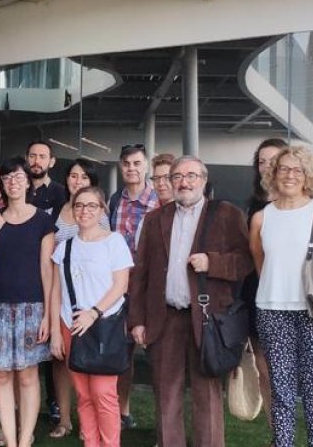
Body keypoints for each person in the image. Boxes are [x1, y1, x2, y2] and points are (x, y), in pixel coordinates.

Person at [127, 156, 251, 447]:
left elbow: (246, 261)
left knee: (206, 396)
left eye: (192, 175)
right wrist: (137, 320)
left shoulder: (226, 214)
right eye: (177, 176)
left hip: (207, 320)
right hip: (164, 319)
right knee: (165, 395)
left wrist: (213, 263)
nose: (184, 182)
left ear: (204, 181)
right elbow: (141, 272)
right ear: (169, 182)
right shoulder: (155, 218)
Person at [251, 145, 313, 447]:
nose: (290, 175)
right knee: (281, 390)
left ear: (308, 176)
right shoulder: (260, 218)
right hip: (272, 310)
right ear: (273, 174)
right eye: (284, 168)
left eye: (297, 169)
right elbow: (261, 265)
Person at [0, 157, 56, 447]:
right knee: (2, 376)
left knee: (29, 376)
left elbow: (47, 269)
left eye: (18, 176)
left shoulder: (44, 220)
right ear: (2, 185)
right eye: (6, 178)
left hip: (32, 307)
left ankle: (25, 438)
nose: (12, 182)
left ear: (28, 180)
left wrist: (47, 316)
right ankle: (9, 437)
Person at [50, 186, 134, 447]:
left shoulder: (114, 242)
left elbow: (121, 285)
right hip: (70, 325)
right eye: (79, 205)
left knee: (103, 392)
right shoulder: (64, 248)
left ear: (101, 210)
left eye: (91, 206)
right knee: (83, 394)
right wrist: (55, 332)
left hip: (104, 326)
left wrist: (93, 313)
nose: (84, 211)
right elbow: (56, 292)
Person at [45, 157, 109, 440]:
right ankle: (65, 419)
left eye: (84, 177)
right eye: (73, 176)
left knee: (89, 365)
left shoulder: (99, 214)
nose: (77, 181)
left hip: (92, 304)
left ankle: (90, 424)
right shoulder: (56, 212)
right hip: (62, 300)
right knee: (61, 362)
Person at [107, 143, 158, 427]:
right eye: (126, 163)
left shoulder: (159, 201)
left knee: (159, 355)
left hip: (151, 288)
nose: (132, 168)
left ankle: (165, 425)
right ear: (120, 166)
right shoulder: (116, 200)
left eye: (137, 163)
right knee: (121, 353)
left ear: (146, 166)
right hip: (121, 288)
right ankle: (122, 412)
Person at [244, 137, 288, 433]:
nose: (267, 166)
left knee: (287, 370)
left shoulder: (306, 205)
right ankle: (277, 433)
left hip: (293, 296)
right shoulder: (253, 207)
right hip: (258, 293)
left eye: (274, 160)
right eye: (262, 161)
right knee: (265, 368)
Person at [28, 139, 70, 219]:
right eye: (32, 156)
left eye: (42, 157)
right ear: (26, 159)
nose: (37, 161)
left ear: (51, 162)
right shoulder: (17, 190)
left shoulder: (62, 193)